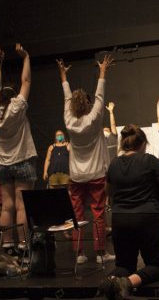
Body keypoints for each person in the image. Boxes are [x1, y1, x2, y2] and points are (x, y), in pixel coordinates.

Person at [97, 125, 159, 299]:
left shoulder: (114, 164)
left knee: (124, 265)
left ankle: (111, 281)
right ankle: (128, 283)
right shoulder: (148, 160)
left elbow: (109, 192)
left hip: (120, 219)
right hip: (146, 218)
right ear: (142, 144)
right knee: (157, 266)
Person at [59, 54, 117, 265]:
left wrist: (63, 77)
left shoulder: (68, 121)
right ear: (87, 104)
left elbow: (67, 100)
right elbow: (100, 96)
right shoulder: (94, 119)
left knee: (76, 213)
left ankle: (79, 253)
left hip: (76, 176)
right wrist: (102, 72)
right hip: (96, 174)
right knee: (98, 213)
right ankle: (101, 253)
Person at [0, 44, 38, 257]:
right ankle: (23, 244)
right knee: (21, 206)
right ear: (14, 95)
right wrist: (26, 57)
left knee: (7, 206)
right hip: (23, 161)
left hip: (2, 164)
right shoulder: (17, 106)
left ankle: (7, 244)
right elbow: (26, 81)